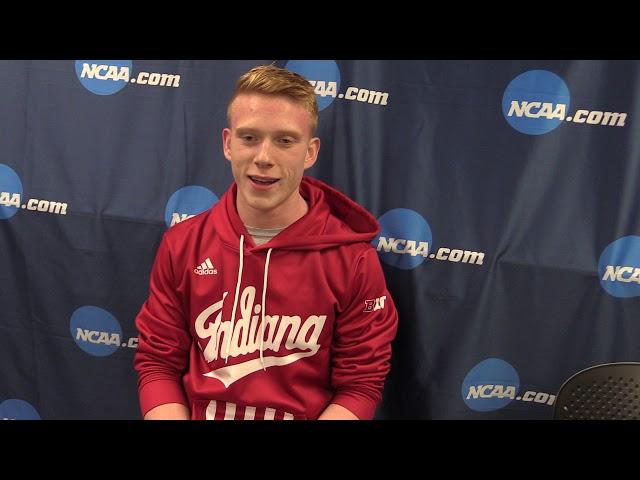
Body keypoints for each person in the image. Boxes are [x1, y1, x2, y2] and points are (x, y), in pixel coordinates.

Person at [134, 64, 398, 420]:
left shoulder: (352, 260)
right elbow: (158, 363)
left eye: (285, 140)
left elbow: (361, 384)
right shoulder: (183, 244)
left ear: (310, 151)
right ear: (228, 143)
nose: (264, 158)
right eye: (249, 138)